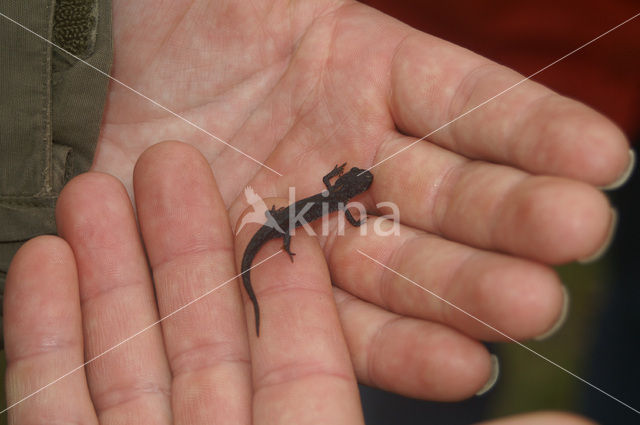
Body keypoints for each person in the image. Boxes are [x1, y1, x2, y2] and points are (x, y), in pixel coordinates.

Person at [1, 1, 633, 423]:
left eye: (355, 187)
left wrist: (329, 209)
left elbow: (331, 197)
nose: (355, 188)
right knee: (275, 249)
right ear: (355, 189)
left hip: (286, 219)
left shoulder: (336, 198)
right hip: (279, 226)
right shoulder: (333, 204)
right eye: (358, 186)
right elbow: (326, 206)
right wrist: (300, 236)